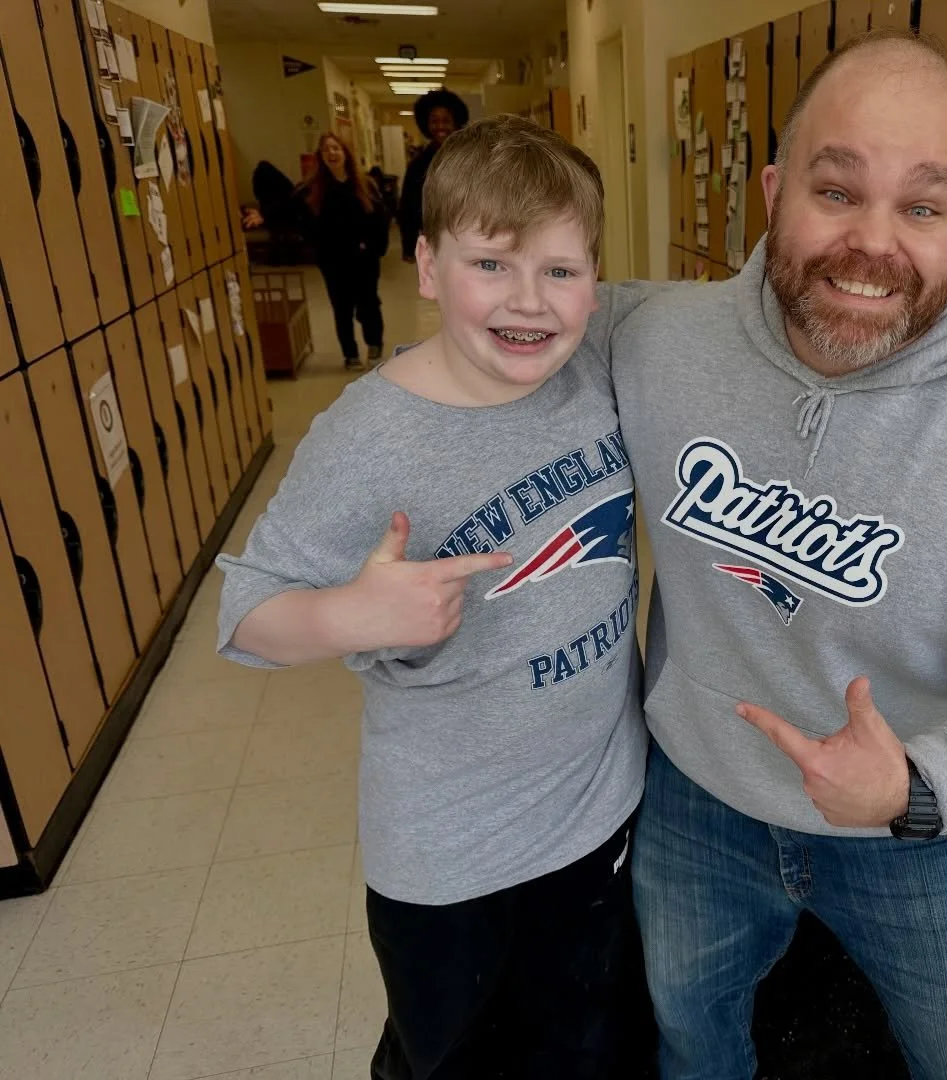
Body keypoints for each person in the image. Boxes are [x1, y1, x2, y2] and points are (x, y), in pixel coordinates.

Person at [611, 28, 947, 1080]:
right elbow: (508, 330)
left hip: (919, 832)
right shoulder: (654, 341)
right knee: (692, 1043)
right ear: (774, 192)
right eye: (836, 191)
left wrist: (918, 784)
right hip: (697, 795)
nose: (872, 242)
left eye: (922, 207)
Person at [216, 115, 654, 1080]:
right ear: (425, 266)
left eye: (561, 270)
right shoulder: (370, 436)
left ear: (594, 280)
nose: (529, 301)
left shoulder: (595, 360)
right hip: (455, 859)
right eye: (490, 264)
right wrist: (350, 615)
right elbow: (245, 612)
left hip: (605, 815)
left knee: (592, 1048)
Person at [298, 133, 390, 369]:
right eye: (326, 149)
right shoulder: (314, 189)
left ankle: (374, 344)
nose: (331, 153)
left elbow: (380, 219)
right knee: (342, 308)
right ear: (321, 156)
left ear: (345, 152)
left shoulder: (365, 185)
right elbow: (298, 217)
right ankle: (350, 354)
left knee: (369, 304)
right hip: (333, 261)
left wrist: (374, 247)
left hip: (364, 259)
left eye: (336, 148)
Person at [399, 88, 469, 263]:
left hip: (469, 235)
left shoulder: (471, 157)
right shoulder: (418, 165)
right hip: (434, 238)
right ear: (426, 124)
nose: (440, 127)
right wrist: (408, 246)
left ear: (456, 122)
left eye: (446, 120)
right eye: (434, 121)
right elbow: (407, 207)